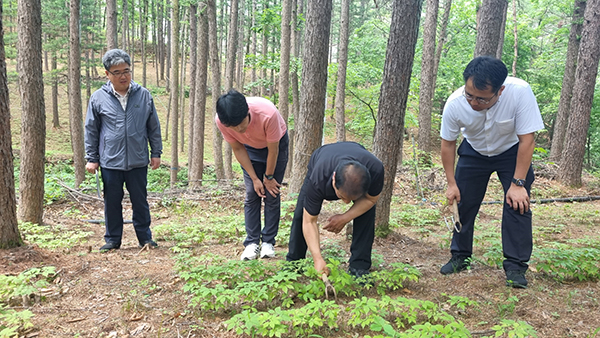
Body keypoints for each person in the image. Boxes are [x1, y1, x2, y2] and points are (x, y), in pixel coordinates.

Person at [439, 56, 544, 288]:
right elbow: (448, 144)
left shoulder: (520, 93)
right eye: (470, 95)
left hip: (511, 151)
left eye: (482, 99)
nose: (474, 103)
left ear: (500, 90)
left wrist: (518, 184)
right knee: (463, 202)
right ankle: (460, 256)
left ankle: (516, 267)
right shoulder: (455, 103)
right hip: (474, 151)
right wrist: (451, 183)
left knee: (518, 203)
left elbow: (527, 139)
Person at [85, 49, 163, 251]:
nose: (123, 76)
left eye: (126, 70)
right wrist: (91, 158)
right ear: (107, 74)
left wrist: (156, 153)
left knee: (140, 200)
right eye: (117, 72)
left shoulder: (143, 95)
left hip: (137, 159)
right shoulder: (98, 98)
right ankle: (112, 240)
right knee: (112, 202)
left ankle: (145, 238)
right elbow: (91, 130)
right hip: (110, 160)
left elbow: (153, 126)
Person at [285, 142, 384, 278]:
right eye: (342, 197)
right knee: (300, 215)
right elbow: (309, 222)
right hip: (322, 158)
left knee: (366, 213)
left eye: (351, 199)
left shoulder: (376, 169)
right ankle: (294, 263)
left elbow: (371, 200)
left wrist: (345, 217)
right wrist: (317, 259)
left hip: (355, 154)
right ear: (333, 180)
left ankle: (359, 267)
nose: (346, 202)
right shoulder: (319, 177)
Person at [215, 89, 289, 261]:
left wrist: (268, 178)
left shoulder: (267, 114)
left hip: (275, 146)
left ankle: (268, 242)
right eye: (234, 127)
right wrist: (255, 179)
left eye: (242, 124)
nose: (239, 129)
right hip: (248, 148)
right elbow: (238, 148)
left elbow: (273, 150)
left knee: (271, 193)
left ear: (248, 111)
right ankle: (251, 243)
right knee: (252, 193)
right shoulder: (222, 121)